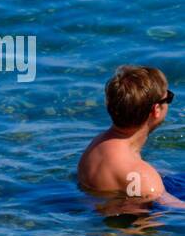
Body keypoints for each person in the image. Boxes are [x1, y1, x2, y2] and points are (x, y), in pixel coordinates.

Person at [78, 64, 181, 205]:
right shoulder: (144, 178)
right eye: (168, 97)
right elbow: (175, 210)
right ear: (156, 110)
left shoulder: (97, 144)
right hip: (132, 224)